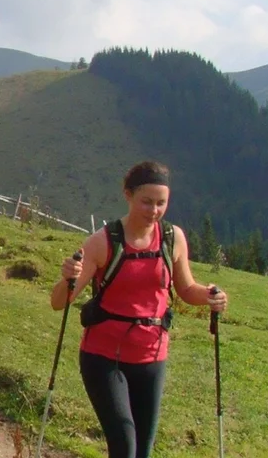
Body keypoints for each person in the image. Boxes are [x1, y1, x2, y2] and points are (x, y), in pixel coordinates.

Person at [50, 160, 229, 458]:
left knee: (142, 450)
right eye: (146, 202)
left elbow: (186, 290)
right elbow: (59, 302)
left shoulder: (173, 238)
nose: (154, 210)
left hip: (151, 356)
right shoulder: (103, 242)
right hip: (104, 356)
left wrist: (212, 296)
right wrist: (67, 278)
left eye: (161, 203)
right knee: (124, 444)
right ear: (128, 195)